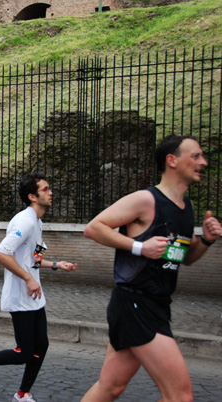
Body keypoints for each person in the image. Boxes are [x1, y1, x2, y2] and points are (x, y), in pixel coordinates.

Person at [81, 135, 221, 402]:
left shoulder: (185, 207)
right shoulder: (146, 200)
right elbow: (94, 228)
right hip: (135, 304)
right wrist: (139, 247)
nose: (203, 161)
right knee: (180, 396)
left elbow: (186, 257)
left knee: (110, 388)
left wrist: (205, 240)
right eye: (195, 156)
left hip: (155, 304)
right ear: (172, 160)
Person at [0, 172, 78, 402]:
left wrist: (57, 264)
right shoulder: (24, 221)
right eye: (45, 189)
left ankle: (22, 394)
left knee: (42, 345)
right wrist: (29, 278)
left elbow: (33, 259)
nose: (51, 192)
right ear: (32, 196)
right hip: (21, 296)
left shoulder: (37, 222)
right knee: (24, 352)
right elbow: (1, 253)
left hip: (34, 296)